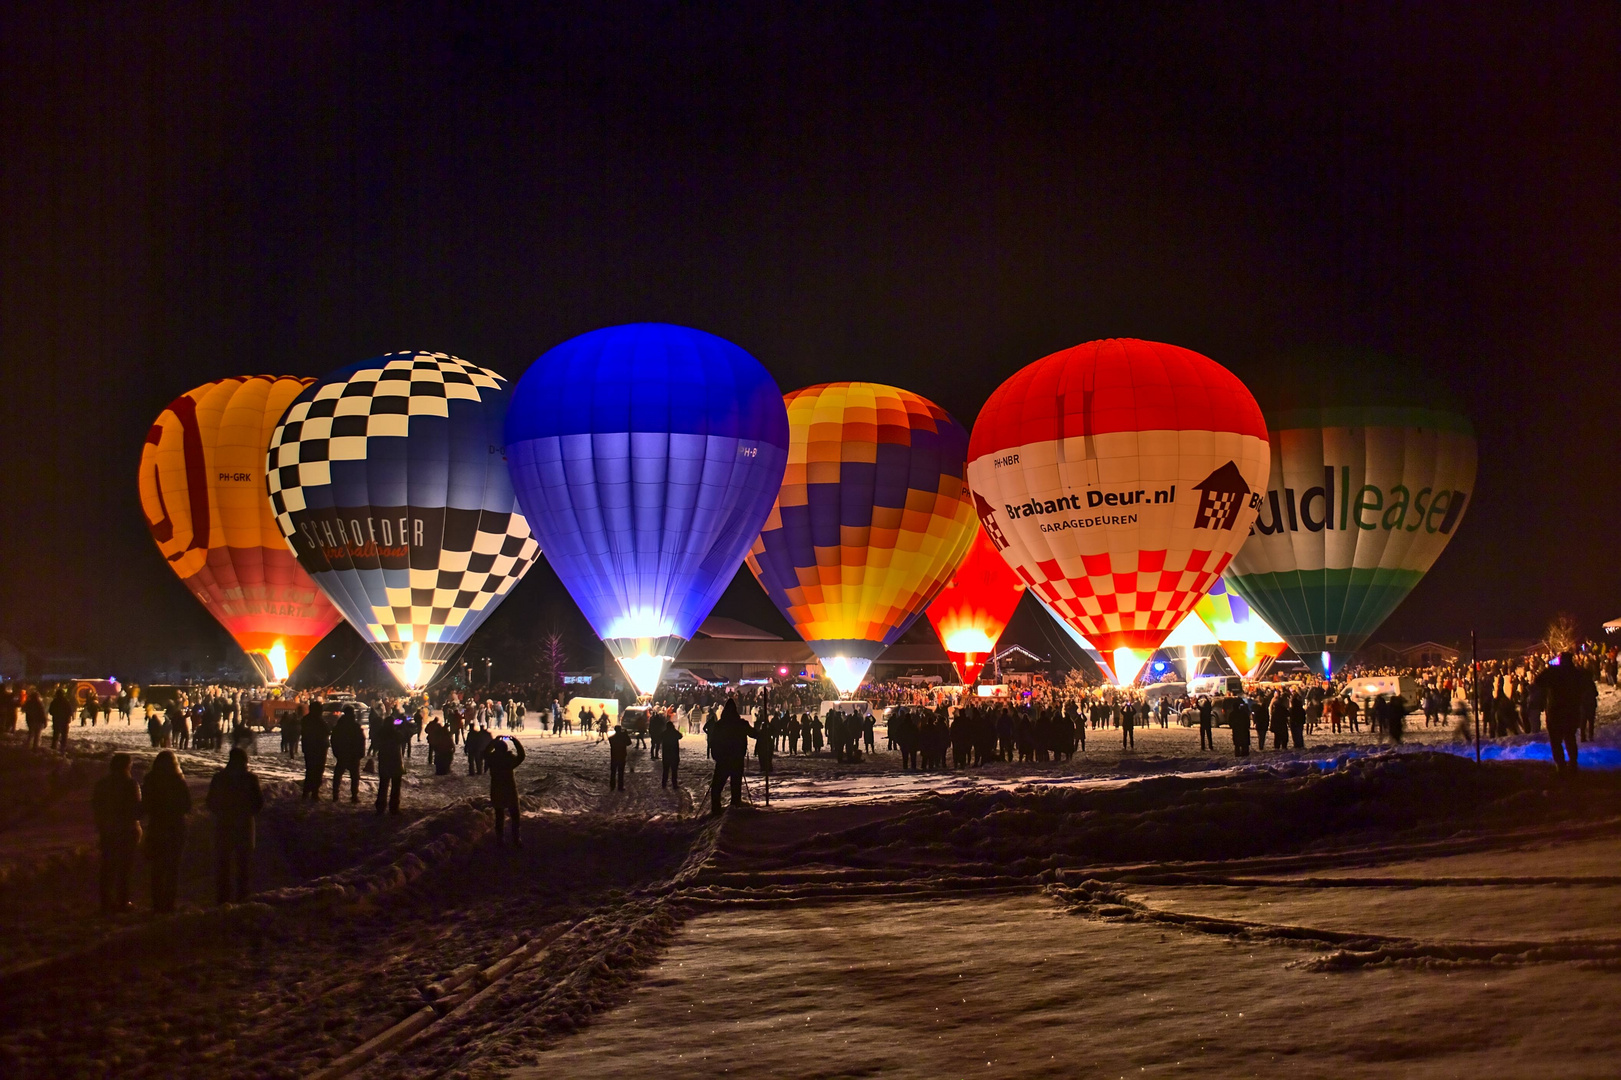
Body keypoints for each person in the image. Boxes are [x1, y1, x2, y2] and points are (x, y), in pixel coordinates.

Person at [206, 748, 263, 903]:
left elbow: (210, 802)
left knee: (223, 864)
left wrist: (222, 812)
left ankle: (222, 899)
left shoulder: (219, 778)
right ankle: (242, 898)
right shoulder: (250, 779)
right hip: (244, 825)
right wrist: (246, 812)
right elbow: (259, 802)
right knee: (243, 865)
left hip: (224, 825)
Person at [92, 753, 143, 914]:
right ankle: (123, 901)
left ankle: (106, 901)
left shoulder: (102, 784)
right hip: (127, 830)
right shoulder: (130, 784)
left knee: (108, 867)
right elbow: (136, 810)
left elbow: (96, 806)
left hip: (108, 830)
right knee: (125, 868)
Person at [142, 750, 191, 913]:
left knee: (157, 868)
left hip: (157, 826)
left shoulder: (150, 781)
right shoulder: (178, 781)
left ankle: (156, 903)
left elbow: (144, 806)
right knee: (173, 868)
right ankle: (169, 903)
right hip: (176, 828)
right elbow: (187, 805)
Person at [1535, 651, 1597, 774]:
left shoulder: (1554, 672)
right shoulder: (1577, 674)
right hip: (1572, 711)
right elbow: (1588, 682)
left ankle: (1560, 765)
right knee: (1570, 738)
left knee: (1555, 740)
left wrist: (1549, 670)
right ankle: (1573, 763)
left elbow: (1538, 681)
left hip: (1555, 711)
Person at [704, 699, 756, 814]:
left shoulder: (720, 725)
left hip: (723, 759)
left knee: (717, 786)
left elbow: (713, 741)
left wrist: (716, 755)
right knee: (735, 785)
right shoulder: (740, 723)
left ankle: (716, 808)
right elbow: (754, 734)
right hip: (736, 758)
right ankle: (735, 806)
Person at [483, 735, 526, 846]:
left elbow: (485, 753)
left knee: (499, 815)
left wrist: (494, 741)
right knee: (515, 816)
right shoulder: (509, 759)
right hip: (509, 789)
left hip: (497, 788)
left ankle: (500, 839)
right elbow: (521, 756)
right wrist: (515, 741)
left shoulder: (492, 759)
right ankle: (516, 838)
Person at [330, 706, 366, 803]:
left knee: (338, 775)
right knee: (354, 776)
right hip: (353, 754)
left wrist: (336, 752)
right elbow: (361, 740)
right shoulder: (355, 725)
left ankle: (335, 795)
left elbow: (334, 739)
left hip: (343, 753)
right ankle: (354, 796)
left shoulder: (340, 725)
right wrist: (360, 753)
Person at [374, 715, 406, 814]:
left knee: (383, 785)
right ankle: (394, 807)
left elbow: (376, 744)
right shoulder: (395, 734)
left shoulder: (380, 733)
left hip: (384, 761)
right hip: (395, 761)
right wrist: (401, 727)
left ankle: (380, 807)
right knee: (395, 786)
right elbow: (403, 738)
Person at [300, 702, 330, 800]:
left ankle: (307, 791)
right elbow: (326, 731)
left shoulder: (306, 719)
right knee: (317, 771)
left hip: (309, 748)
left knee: (310, 770)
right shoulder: (318, 720)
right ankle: (314, 792)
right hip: (318, 748)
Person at [48, 686, 73, 752]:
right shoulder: (66, 701)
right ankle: (63, 747)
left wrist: (55, 714)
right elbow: (70, 710)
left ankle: (54, 746)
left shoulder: (54, 702)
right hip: (64, 721)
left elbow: (50, 711)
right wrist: (68, 717)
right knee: (64, 735)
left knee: (55, 734)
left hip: (56, 720)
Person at [660, 719, 683, 789]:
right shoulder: (674, 733)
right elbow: (680, 736)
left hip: (666, 754)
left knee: (665, 770)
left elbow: (660, 737)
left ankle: (664, 784)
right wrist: (674, 730)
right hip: (674, 754)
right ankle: (674, 784)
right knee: (674, 771)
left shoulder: (664, 733)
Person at [608, 724, 630, 791]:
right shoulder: (623, 738)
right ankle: (620, 786)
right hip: (622, 756)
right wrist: (626, 735)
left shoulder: (611, 738)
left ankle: (612, 786)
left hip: (614, 756)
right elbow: (629, 743)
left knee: (613, 772)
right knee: (621, 772)